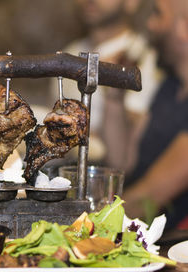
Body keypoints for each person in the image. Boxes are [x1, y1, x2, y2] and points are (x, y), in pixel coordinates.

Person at [50, 0, 163, 166]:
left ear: (131, 3)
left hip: (106, 175)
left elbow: (133, 136)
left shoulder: (143, 57)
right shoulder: (69, 53)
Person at [120, 0, 188, 229]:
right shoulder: (170, 86)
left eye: (158, 14)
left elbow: (149, 196)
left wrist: (83, 219)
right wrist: (114, 99)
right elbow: (125, 161)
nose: (149, 24)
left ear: (184, 27)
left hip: (171, 245)